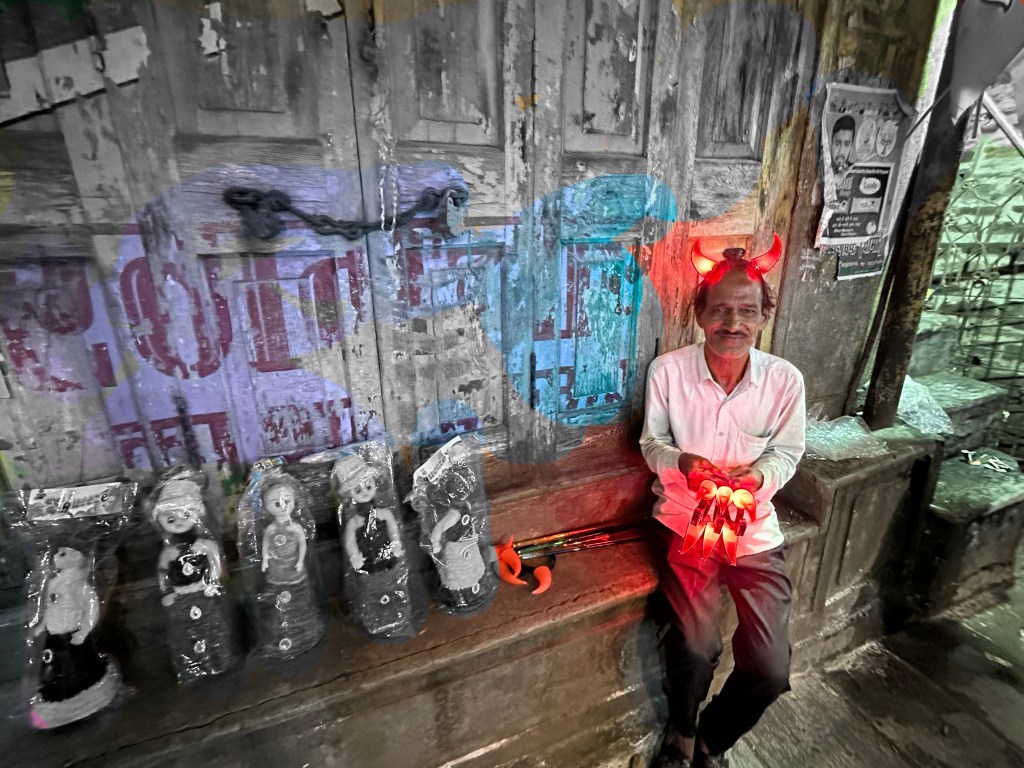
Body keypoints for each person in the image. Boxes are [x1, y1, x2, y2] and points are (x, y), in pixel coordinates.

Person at [640, 243, 805, 768]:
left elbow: (788, 451)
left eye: (747, 310)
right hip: (686, 520)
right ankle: (682, 736)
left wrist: (759, 476)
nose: (732, 323)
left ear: (763, 315)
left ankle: (713, 741)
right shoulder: (668, 371)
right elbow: (650, 445)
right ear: (700, 314)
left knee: (771, 668)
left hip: (753, 529)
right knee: (696, 645)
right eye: (720, 310)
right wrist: (683, 461)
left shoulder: (784, 381)